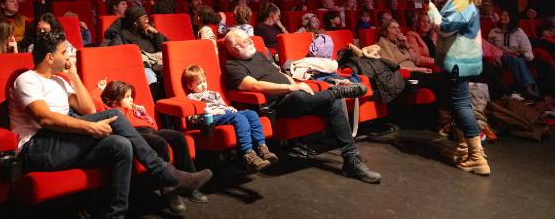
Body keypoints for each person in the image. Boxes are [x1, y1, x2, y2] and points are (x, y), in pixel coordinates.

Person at [10, 32, 211, 218]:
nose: (68, 56)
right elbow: (44, 118)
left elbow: (88, 109)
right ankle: (165, 173)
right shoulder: (27, 79)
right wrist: (91, 128)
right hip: (37, 148)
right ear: (49, 57)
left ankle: (116, 214)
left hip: (63, 143)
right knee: (115, 114)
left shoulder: (59, 81)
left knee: (121, 145)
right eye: (63, 52)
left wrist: (73, 75)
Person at [223, 30, 380, 183]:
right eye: (246, 40)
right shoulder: (232, 66)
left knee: (334, 103)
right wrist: (291, 88)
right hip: (275, 105)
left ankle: (351, 158)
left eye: (249, 38)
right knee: (300, 96)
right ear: (235, 48)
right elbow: (254, 85)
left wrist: (297, 85)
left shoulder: (259, 55)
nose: (251, 41)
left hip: (295, 97)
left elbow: (280, 74)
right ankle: (335, 92)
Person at [93, 79, 207, 213]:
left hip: (150, 130)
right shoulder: (110, 110)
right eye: (127, 97)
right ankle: (169, 189)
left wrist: (142, 114)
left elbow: (153, 125)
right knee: (159, 142)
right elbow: (94, 101)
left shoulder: (134, 109)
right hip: (134, 134)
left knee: (179, 137)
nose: (131, 99)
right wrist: (100, 88)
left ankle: (191, 186)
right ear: (114, 100)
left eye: (131, 96)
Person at [425, 0, 489, 175]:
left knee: (461, 106)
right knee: (456, 105)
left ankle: (476, 157)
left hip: (458, 61)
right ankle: (463, 148)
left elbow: (445, 28)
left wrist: (431, 9)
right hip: (457, 60)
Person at [183, 64, 277, 172]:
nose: (203, 85)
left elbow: (223, 106)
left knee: (251, 114)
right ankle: (248, 155)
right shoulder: (191, 97)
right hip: (213, 118)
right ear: (190, 86)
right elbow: (193, 118)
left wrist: (230, 108)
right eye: (199, 83)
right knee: (239, 118)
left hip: (226, 113)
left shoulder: (215, 94)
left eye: (204, 81)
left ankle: (262, 148)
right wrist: (211, 112)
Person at [101, 7, 167, 96]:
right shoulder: (122, 35)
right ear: (135, 22)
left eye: (147, 17)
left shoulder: (148, 32)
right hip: (141, 67)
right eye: (143, 18)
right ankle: (154, 102)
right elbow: (117, 54)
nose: (147, 20)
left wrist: (155, 32)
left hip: (157, 64)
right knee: (150, 75)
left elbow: (162, 47)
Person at [487, 10, 540, 99]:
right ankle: (530, 89)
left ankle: (531, 92)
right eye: (501, 15)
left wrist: (527, 57)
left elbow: (526, 46)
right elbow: (490, 48)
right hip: (501, 57)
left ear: (511, 18)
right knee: (513, 59)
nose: (502, 17)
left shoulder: (519, 32)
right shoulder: (493, 32)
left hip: (516, 57)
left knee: (519, 61)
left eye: (506, 16)